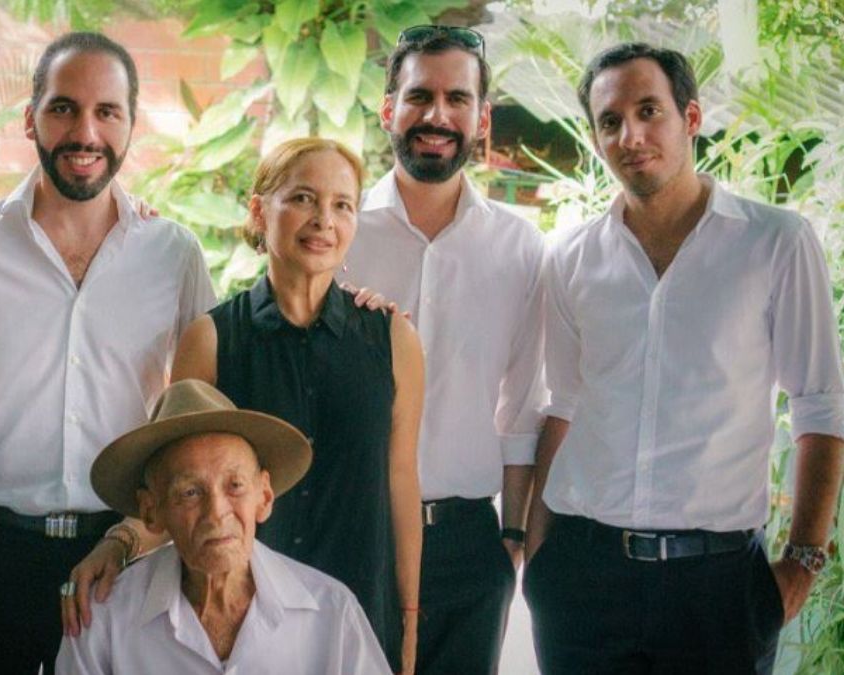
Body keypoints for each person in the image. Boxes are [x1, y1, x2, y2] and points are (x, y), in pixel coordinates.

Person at [524, 42, 844, 674]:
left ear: (691, 118)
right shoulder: (570, 258)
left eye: (649, 111)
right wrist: (539, 557)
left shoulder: (775, 243)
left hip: (717, 587)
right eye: (610, 121)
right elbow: (564, 404)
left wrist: (803, 560)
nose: (630, 136)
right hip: (583, 579)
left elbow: (820, 405)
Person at [0, 32, 216, 673]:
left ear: (130, 125)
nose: (85, 133)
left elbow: (198, 413)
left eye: (106, 112)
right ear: (30, 118)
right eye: (63, 108)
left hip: (123, 558)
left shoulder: (173, 254)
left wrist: (138, 536)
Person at [165, 137, 425, 673]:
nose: (323, 220)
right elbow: (181, 487)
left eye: (342, 205)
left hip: (361, 607)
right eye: (303, 198)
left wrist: (409, 614)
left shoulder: (394, 338)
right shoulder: (211, 340)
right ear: (260, 211)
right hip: (242, 619)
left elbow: (401, 480)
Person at [338, 26, 545, 674]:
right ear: (388, 109)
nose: (437, 116)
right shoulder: (338, 231)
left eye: (458, 99)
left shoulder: (519, 248)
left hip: (468, 549)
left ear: (482, 118)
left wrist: (511, 538)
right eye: (419, 96)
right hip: (354, 533)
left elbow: (522, 407)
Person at [55, 379, 392, 674]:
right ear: (151, 511)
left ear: (264, 496)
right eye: (190, 492)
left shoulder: (331, 613)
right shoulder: (104, 619)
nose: (216, 513)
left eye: (235, 486)